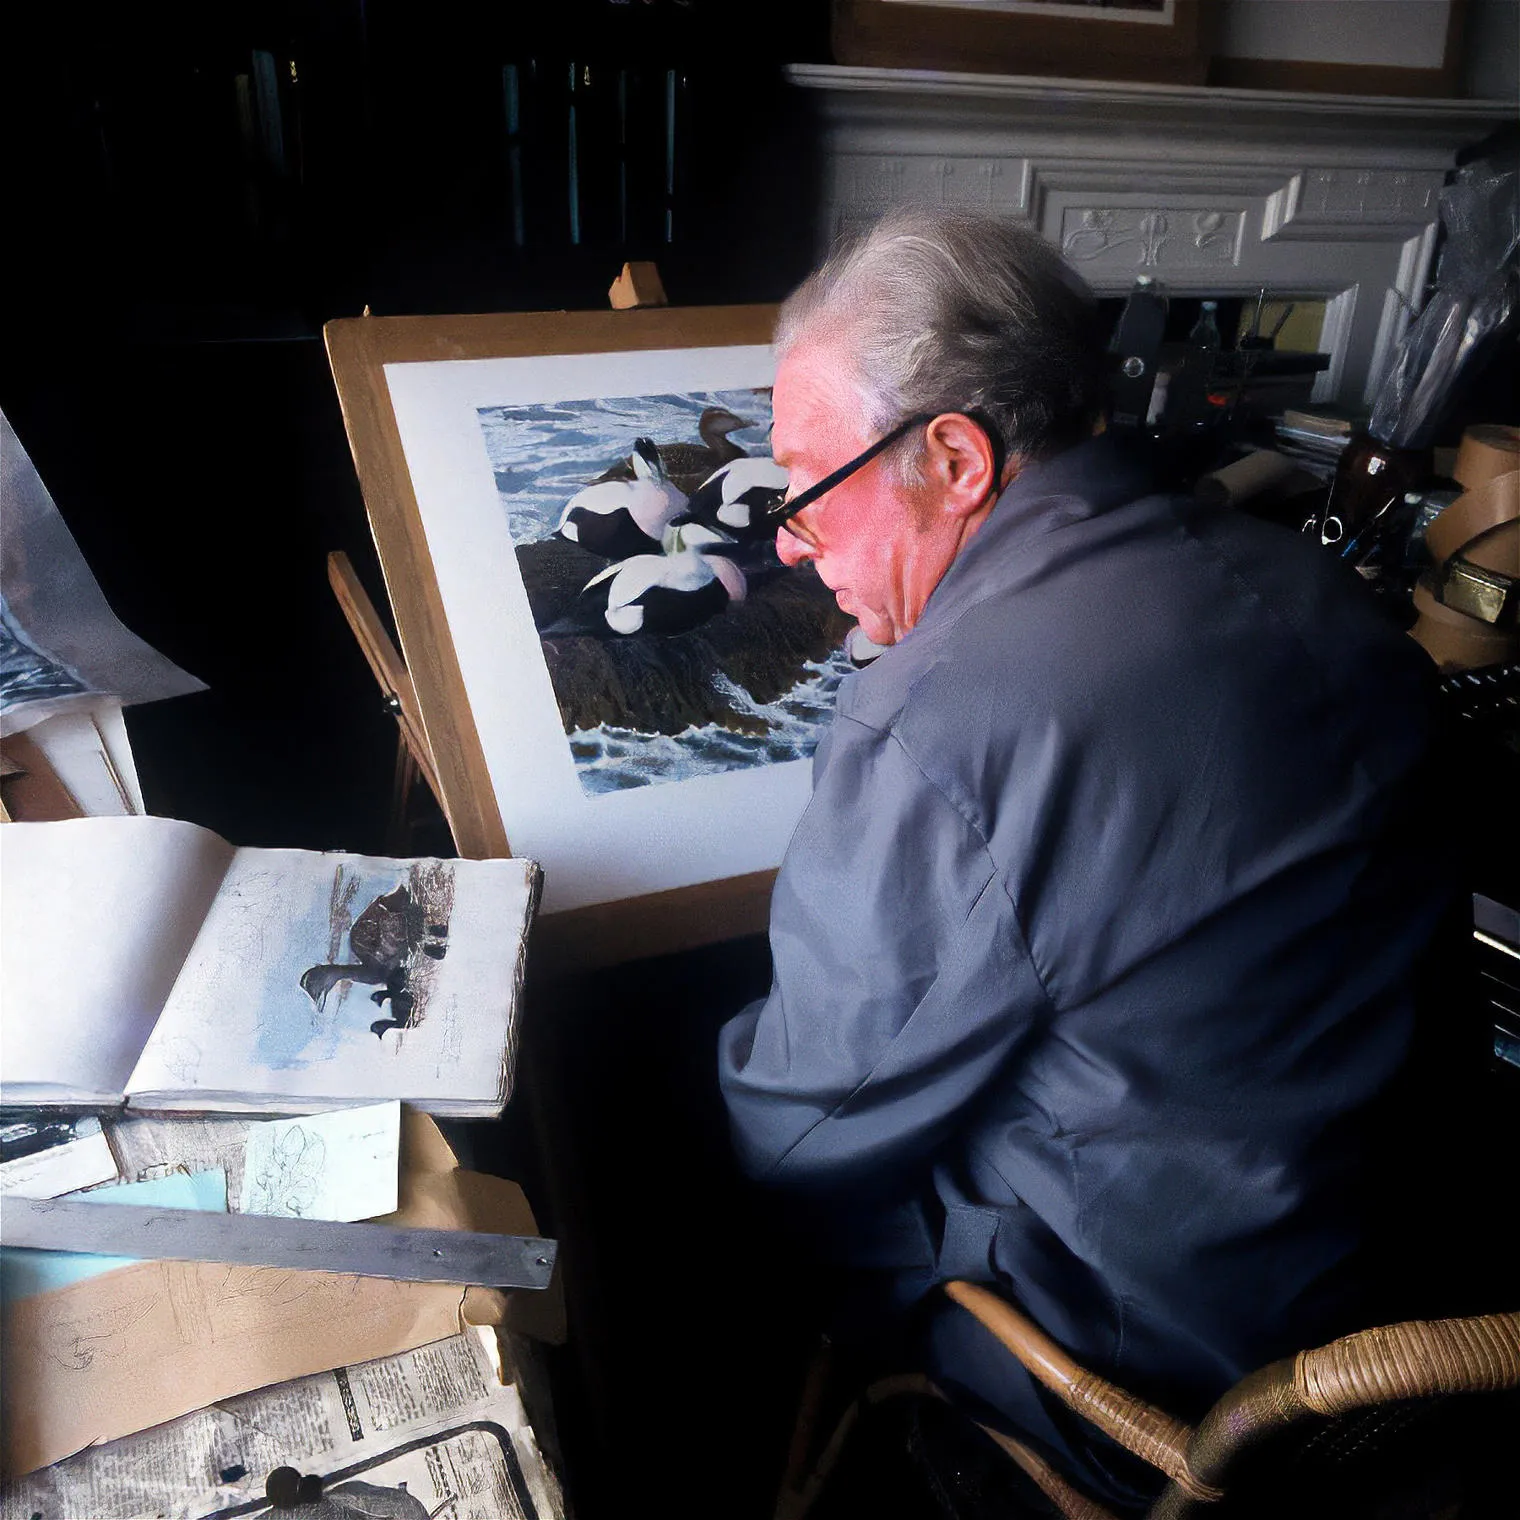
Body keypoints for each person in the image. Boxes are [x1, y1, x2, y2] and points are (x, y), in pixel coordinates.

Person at [717, 209, 1455, 1512]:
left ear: (952, 458)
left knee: (727, 1179)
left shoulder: (947, 718)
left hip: (1166, 1382)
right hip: (1410, 1295)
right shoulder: (1319, 591)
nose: (785, 541)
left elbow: (800, 1126)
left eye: (808, 491)